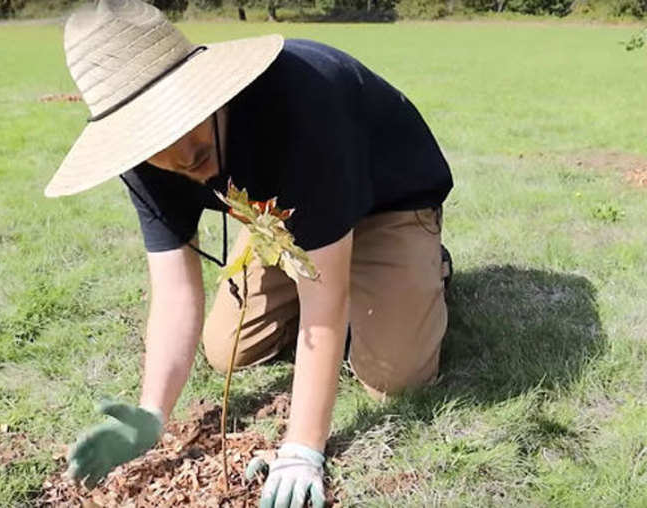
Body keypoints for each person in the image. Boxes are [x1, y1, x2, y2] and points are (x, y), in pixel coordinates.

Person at [46, 0, 453, 506]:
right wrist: (152, 412)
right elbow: (173, 290)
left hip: (386, 205)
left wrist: (302, 446)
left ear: (207, 91)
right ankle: (363, 280)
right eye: (165, 160)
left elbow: (322, 306)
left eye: (199, 154)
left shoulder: (302, 106)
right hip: (283, 213)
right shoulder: (140, 157)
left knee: (396, 378)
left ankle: (424, 265)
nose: (188, 170)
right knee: (228, 350)